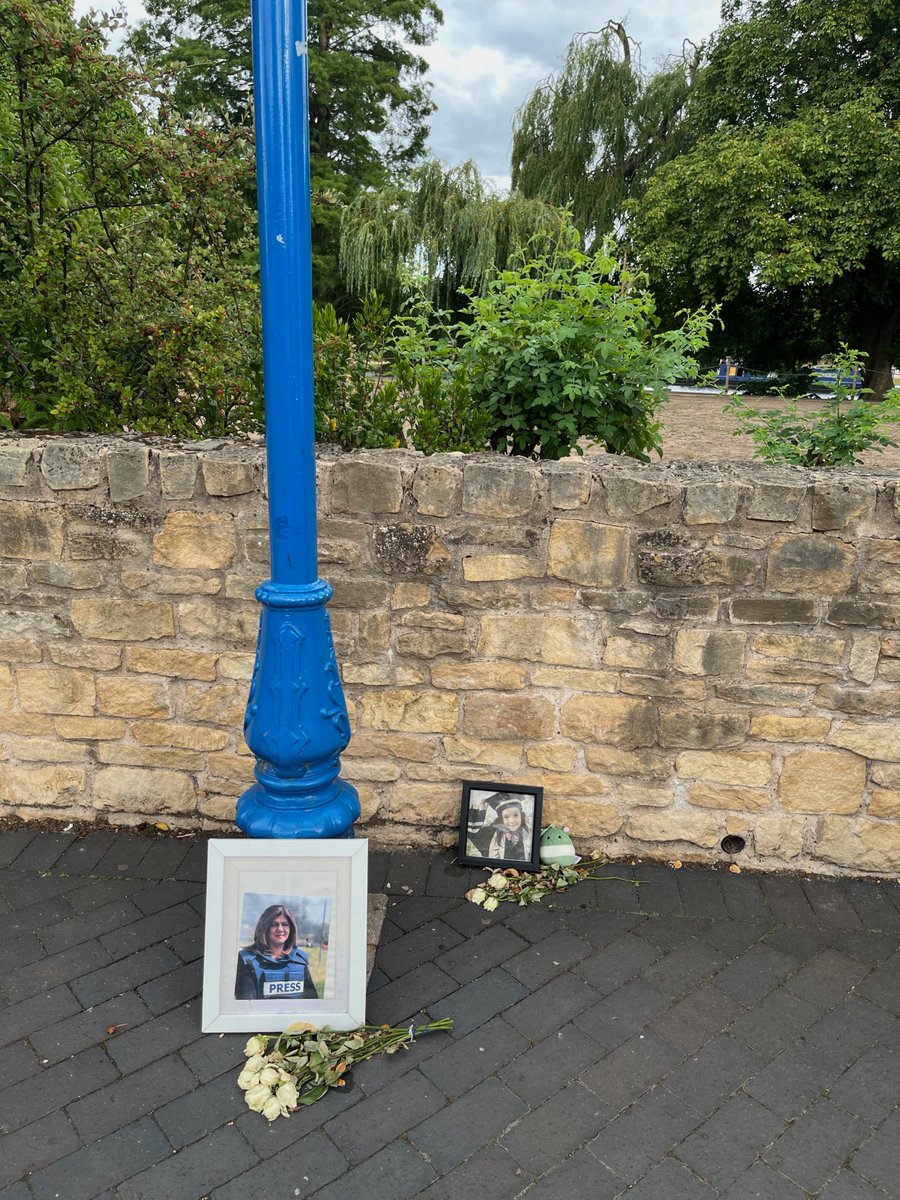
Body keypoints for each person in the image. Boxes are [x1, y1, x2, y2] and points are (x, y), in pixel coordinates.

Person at [234, 903, 319, 1001]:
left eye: (285, 924)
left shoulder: (300, 959)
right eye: (274, 924)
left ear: (291, 929)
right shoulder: (248, 960)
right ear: (265, 928)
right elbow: (246, 1006)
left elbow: (312, 1002)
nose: (280, 929)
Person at [487, 797, 532, 861]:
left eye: (516, 815)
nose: (512, 821)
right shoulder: (495, 837)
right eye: (506, 817)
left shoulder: (529, 835)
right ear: (501, 819)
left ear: (521, 816)